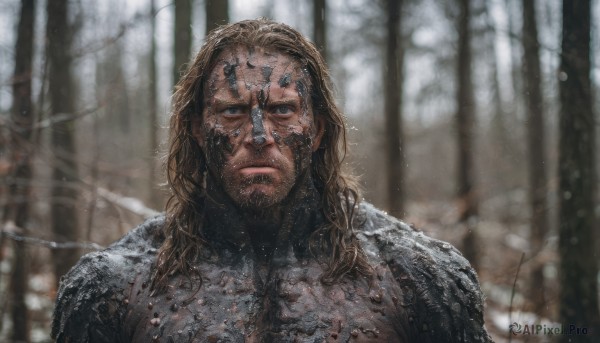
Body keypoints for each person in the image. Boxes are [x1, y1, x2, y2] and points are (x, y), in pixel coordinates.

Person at [52, 18, 492, 342]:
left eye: (282, 111)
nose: (259, 137)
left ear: (317, 129)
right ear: (197, 128)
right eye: (233, 111)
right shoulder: (113, 287)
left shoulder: (418, 276)